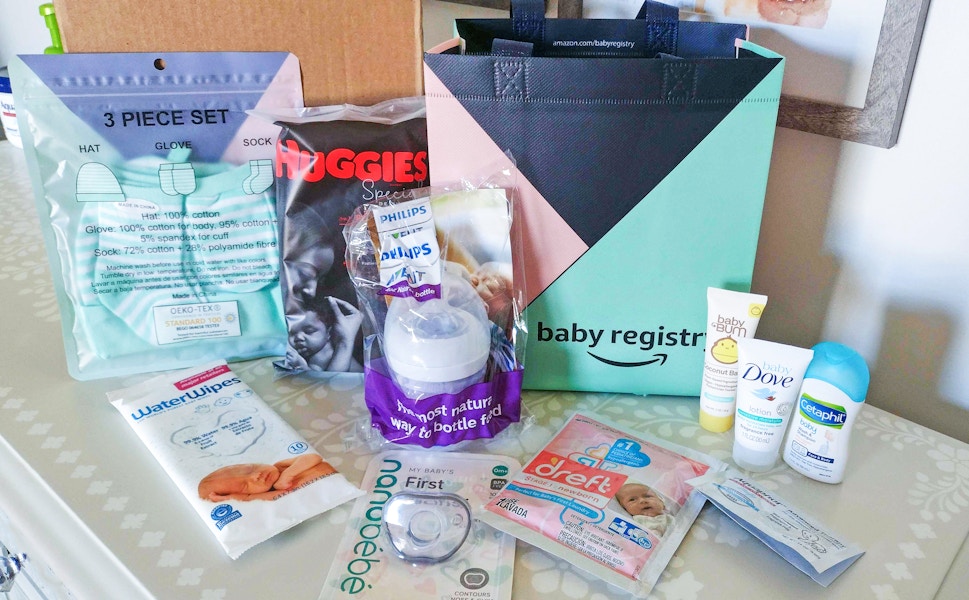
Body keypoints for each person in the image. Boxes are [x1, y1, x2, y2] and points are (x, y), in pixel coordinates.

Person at [198, 453, 336, 502]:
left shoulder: (280, 466)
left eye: (249, 469)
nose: (256, 475)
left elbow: (314, 457)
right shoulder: (268, 495)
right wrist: (230, 498)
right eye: (245, 485)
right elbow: (282, 496)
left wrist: (288, 474)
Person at [288, 298, 363, 372]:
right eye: (291, 333)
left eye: (309, 331)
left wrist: (302, 367)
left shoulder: (325, 355)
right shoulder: (314, 353)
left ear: (329, 333)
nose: (298, 337)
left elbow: (325, 380)